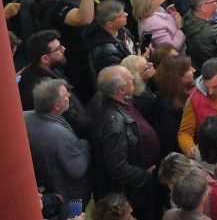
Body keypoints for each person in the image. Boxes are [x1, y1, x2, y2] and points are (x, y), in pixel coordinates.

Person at [93, 65, 160, 219]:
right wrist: (144, 175)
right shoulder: (114, 124)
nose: (134, 80)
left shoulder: (125, 100)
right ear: (120, 90)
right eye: (130, 79)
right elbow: (116, 166)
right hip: (136, 188)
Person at [24, 78, 91, 219]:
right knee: (76, 216)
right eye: (66, 95)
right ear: (57, 105)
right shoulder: (60, 135)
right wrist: (85, 145)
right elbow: (77, 169)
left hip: (46, 184)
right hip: (71, 195)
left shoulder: (24, 117)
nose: (69, 96)